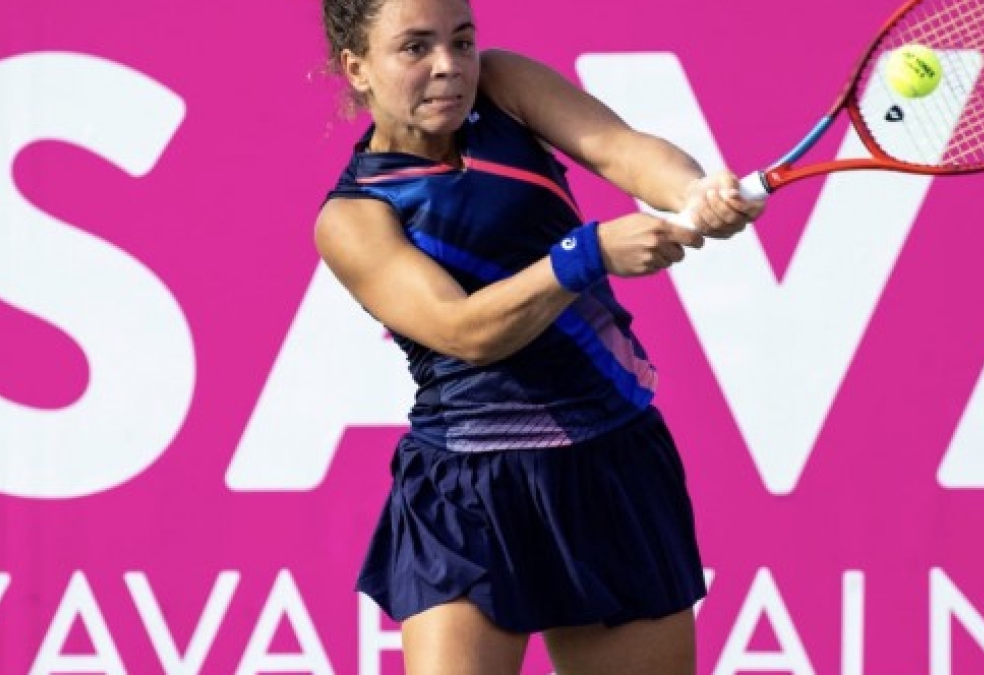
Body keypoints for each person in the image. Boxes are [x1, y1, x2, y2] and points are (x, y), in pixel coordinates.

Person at [315, 0, 764, 672]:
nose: (450, 66)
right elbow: (465, 331)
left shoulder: (503, 85)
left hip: (608, 460)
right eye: (415, 48)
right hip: (465, 488)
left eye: (462, 41)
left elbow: (620, 148)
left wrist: (695, 191)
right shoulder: (354, 218)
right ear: (357, 68)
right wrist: (587, 253)